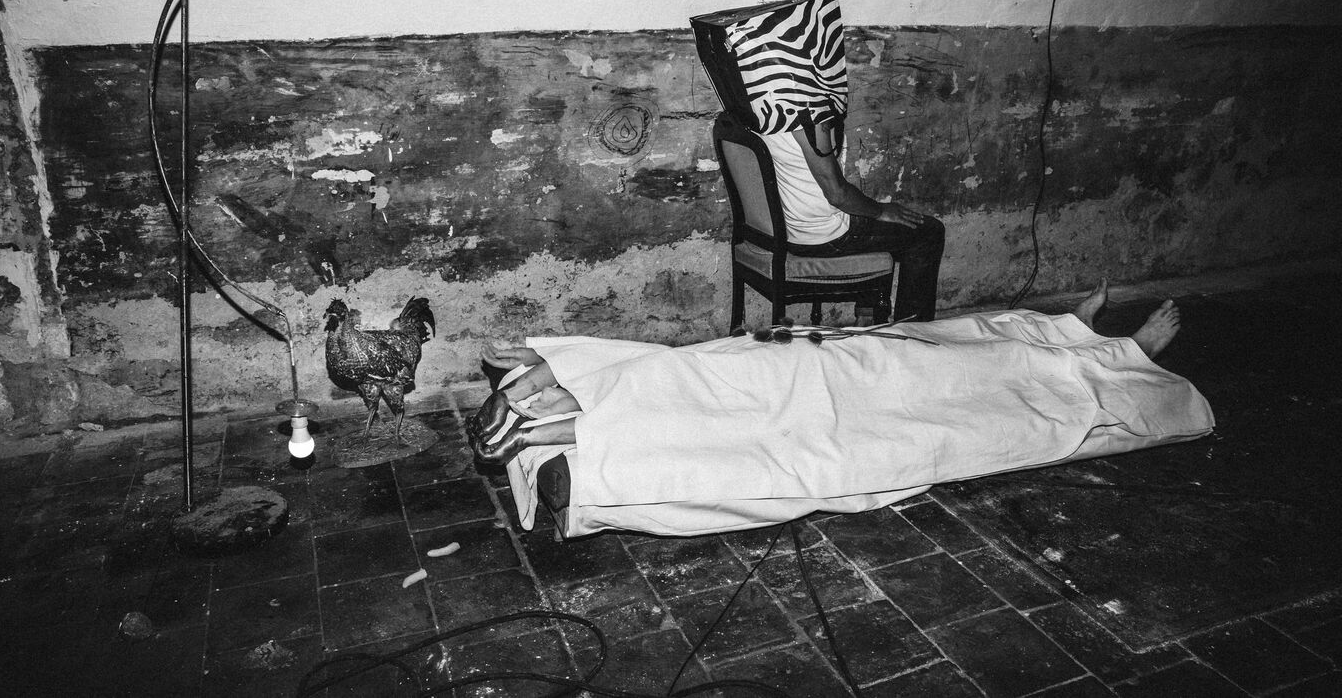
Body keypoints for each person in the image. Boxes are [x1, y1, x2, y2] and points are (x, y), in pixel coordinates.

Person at [468, 279, 1185, 467]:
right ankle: (1118, 352)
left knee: (959, 343)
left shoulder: (640, 378)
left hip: (809, 358)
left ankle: (1078, 336)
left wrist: (544, 371)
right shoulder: (632, 413)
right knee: (972, 367)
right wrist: (542, 415)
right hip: (823, 384)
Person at [762, 118, 945, 324]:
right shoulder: (809, 117)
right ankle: (912, 331)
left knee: (875, 221)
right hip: (825, 233)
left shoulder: (766, 109)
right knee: (929, 232)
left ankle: (869, 317)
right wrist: (880, 211)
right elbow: (838, 195)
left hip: (791, 228)